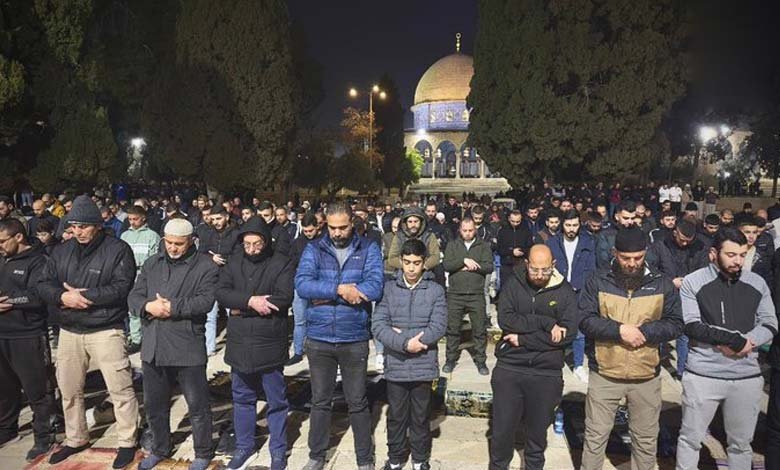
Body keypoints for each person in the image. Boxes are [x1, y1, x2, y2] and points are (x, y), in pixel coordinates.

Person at [37, 195, 139, 468]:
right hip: (69, 329)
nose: (78, 231)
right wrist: (62, 297)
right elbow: (43, 283)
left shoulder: (118, 249)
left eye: (83, 226)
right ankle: (75, 438)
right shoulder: (61, 251)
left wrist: (86, 296)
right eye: (74, 226)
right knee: (69, 389)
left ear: (97, 224)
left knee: (120, 388)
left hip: (106, 328)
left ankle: (128, 441)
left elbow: (121, 287)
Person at [579, 227, 683, 470]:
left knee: (645, 441)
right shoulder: (598, 279)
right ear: (615, 253)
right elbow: (584, 319)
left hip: (645, 375)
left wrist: (645, 332)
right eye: (626, 258)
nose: (632, 264)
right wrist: (619, 330)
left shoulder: (661, 284)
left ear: (645, 253)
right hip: (605, 373)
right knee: (595, 437)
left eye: (638, 258)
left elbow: (676, 324)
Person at [676, 228, 777, 469]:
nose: (738, 261)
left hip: (746, 377)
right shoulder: (693, 282)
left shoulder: (757, 282)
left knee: (741, 444)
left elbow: (770, 323)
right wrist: (732, 340)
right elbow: (691, 325)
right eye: (731, 254)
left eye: (742, 255)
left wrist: (747, 342)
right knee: (690, 439)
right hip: (703, 375)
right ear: (713, 253)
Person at [295, 201, 383, 470]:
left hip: (353, 336)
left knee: (357, 400)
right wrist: (340, 290)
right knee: (320, 400)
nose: (337, 233)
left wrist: (330, 295)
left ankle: (364, 458)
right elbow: (303, 284)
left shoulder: (368, 248)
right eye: (332, 228)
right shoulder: (314, 248)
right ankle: (316, 455)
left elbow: (376, 285)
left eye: (342, 227)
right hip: (320, 338)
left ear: (352, 223)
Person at [127, 218, 217, 470]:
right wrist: (147, 306)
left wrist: (171, 308)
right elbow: (134, 296)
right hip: (154, 346)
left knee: (197, 405)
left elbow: (205, 301)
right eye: (169, 242)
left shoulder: (205, 266)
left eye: (179, 244)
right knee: (155, 405)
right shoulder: (153, 264)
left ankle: (203, 451)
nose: (173, 248)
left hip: (186, 345)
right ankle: (160, 447)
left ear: (191, 242)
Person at [490, 245, 577, 470]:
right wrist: (546, 324)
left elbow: (568, 334)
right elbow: (506, 320)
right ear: (527, 264)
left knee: (537, 435)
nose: (539, 275)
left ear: (553, 266)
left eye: (545, 270)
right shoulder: (513, 283)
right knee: (502, 431)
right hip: (511, 366)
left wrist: (524, 339)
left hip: (546, 371)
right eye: (535, 270)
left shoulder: (564, 291)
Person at [216, 217, 293, 470]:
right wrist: (250, 302)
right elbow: (222, 293)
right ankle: (244, 446)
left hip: (270, 341)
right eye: (247, 244)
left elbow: (282, 299)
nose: (252, 249)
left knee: (276, 401)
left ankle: (279, 450)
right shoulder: (234, 262)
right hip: (240, 343)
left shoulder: (280, 262)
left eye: (257, 243)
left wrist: (240, 308)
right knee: (242, 398)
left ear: (266, 242)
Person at [372, 239, 446, 470]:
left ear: (424, 263)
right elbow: (379, 325)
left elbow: (439, 325)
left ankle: (420, 459)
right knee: (396, 416)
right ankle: (395, 459)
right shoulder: (389, 289)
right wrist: (405, 343)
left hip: (423, 365)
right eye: (407, 262)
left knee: (421, 416)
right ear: (401, 262)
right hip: (397, 364)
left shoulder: (435, 290)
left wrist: (413, 341)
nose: (411, 268)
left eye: (416, 263)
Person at [0, 219, 55, 461]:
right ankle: (7, 430)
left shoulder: (39, 260)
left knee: (38, 390)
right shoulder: (2, 259)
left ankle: (44, 436)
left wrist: (10, 301)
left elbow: (39, 296)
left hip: (29, 335)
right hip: (2, 334)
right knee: (5, 389)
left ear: (18, 237)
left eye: (2, 241)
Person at [647, 219, 709, 379]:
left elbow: (704, 270)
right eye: (681, 240)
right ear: (675, 232)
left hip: (689, 295)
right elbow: (651, 269)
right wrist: (670, 281)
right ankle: (655, 366)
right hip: (664, 294)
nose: (684, 244)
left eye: (688, 241)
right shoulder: (660, 246)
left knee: (685, 334)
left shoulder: (700, 247)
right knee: (660, 332)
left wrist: (689, 282)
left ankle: (682, 370)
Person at [546, 209, 596, 383]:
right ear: (562, 224)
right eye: (568, 225)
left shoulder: (588, 242)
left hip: (580, 291)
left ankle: (578, 365)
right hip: (558, 290)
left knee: (580, 330)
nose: (571, 229)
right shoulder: (553, 243)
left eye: (575, 225)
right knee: (555, 326)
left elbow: (592, 269)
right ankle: (554, 361)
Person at [442, 218, 494, 376]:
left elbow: (489, 266)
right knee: (453, 329)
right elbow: (447, 265)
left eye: (470, 230)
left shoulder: (483, 246)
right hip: (455, 295)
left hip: (476, 294)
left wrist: (473, 266)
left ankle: (480, 360)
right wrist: (463, 261)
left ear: (475, 229)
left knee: (479, 330)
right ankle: (450, 359)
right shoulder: (452, 245)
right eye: (464, 230)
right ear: (460, 229)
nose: (467, 233)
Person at [196, 205, 239, 356]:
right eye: (213, 219)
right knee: (209, 315)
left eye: (218, 218)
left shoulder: (236, 234)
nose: (215, 222)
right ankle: (209, 348)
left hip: (229, 279)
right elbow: (200, 253)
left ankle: (235, 345)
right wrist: (211, 257)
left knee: (233, 314)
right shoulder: (208, 234)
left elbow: (239, 255)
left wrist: (226, 260)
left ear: (226, 217)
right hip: (212, 278)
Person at [120, 205, 161, 353]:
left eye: (135, 219)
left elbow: (154, 259)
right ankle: (135, 338)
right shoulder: (125, 236)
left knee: (145, 308)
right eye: (129, 219)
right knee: (131, 308)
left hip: (144, 275)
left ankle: (145, 338)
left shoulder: (152, 236)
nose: (132, 222)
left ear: (143, 218)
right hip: (127, 275)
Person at [287, 213, 321, 366]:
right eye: (306, 231)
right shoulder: (296, 243)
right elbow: (291, 264)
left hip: (318, 286)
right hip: (300, 286)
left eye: (311, 231)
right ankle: (298, 351)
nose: (308, 234)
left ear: (317, 227)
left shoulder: (324, 242)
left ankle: (318, 351)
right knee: (300, 321)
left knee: (318, 319)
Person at [594, 200, 639, 269]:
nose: (630, 221)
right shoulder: (606, 235)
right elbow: (603, 262)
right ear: (617, 217)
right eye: (626, 218)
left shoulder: (639, 234)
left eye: (632, 218)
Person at [496, 210, 533, 289]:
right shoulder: (502, 231)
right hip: (507, 265)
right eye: (513, 221)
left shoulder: (526, 231)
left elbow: (530, 247)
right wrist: (511, 252)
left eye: (518, 221)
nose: (515, 224)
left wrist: (522, 252)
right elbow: (499, 249)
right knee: (506, 288)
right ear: (509, 218)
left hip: (521, 265)